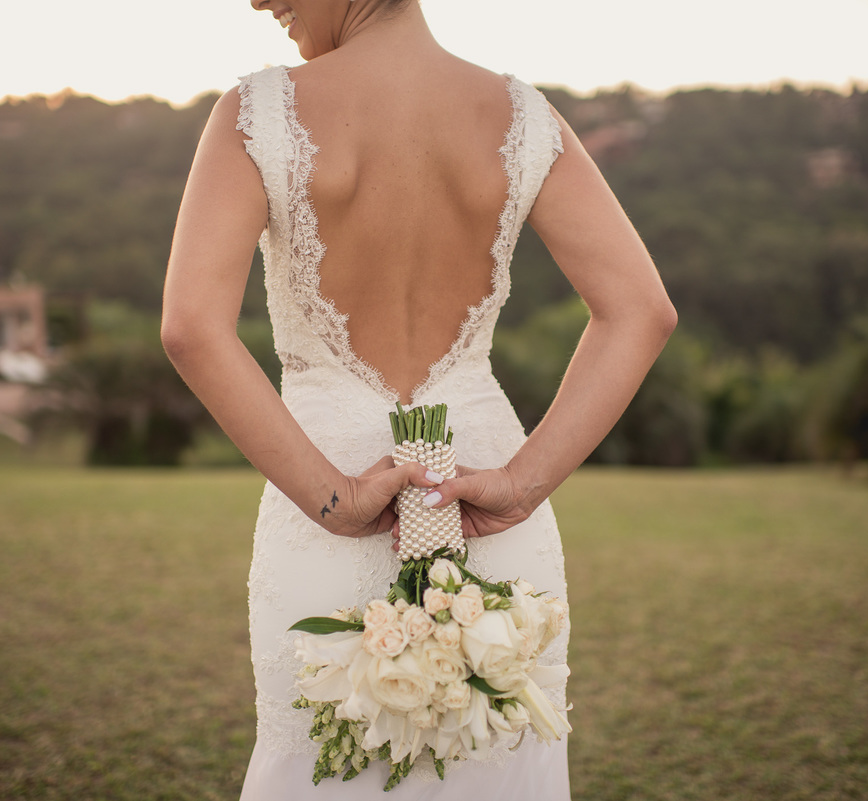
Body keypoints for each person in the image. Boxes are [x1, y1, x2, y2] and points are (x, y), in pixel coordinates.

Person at [161, 0, 676, 797]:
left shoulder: (256, 113)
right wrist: (521, 484)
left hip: (325, 523)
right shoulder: (524, 118)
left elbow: (192, 327)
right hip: (489, 508)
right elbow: (642, 311)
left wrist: (333, 498)